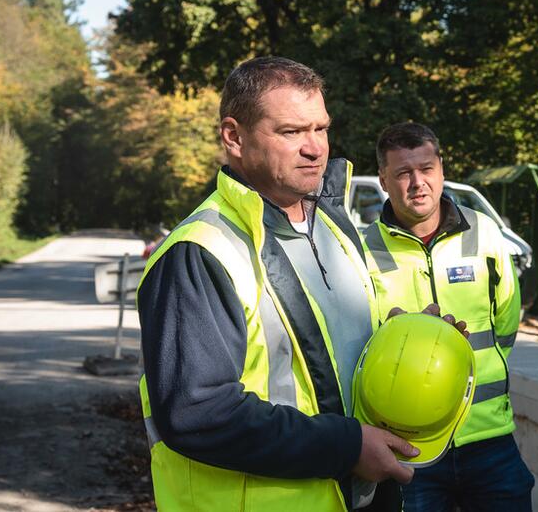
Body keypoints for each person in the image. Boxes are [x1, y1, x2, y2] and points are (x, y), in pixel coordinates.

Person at [136, 56, 418, 511]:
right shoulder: (201, 251)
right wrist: (345, 447)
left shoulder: (334, 228)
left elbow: (340, 357)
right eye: (291, 132)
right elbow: (198, 412)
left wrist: (411, 340)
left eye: (321, 129)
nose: (316, 149)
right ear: (234, 136)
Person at [362, 122, 534, 512]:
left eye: (426, 169)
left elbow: (505, 322)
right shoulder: (364, 249)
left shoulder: (484, 232)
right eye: (403, 173)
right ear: (384, 181)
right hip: (409, 446)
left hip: (489, 437)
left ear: (441, 169)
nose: (417, 183)